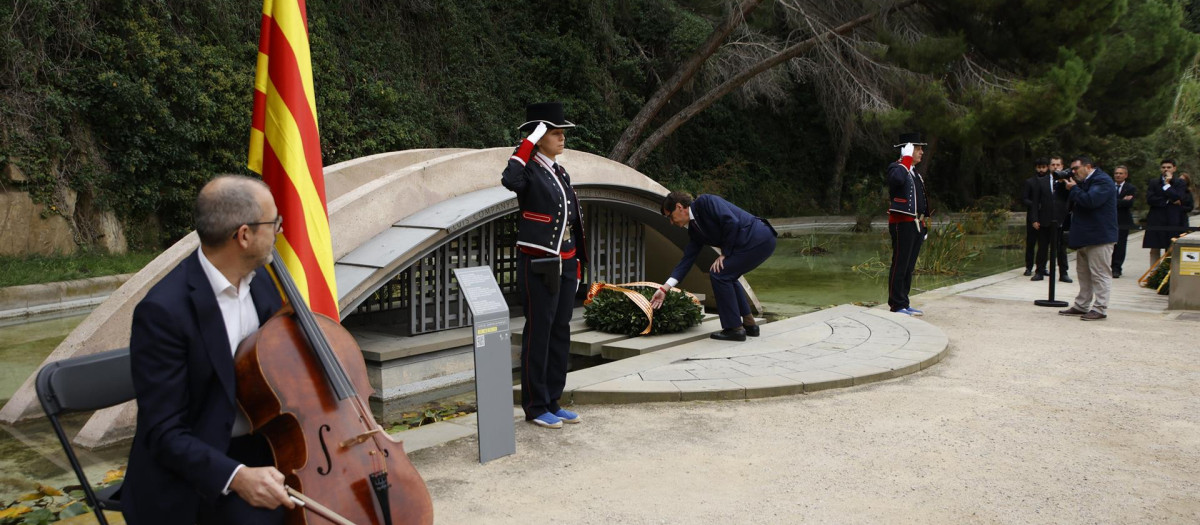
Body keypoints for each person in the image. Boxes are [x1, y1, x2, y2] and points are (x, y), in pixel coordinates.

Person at [124, 175, 292, 525]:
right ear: (244, 235)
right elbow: (164, 433)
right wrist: (237, 476)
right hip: (194, 471)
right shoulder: (164, 312)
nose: (279, 230)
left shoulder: (260, 282)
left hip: (260, 443)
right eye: (273, 223)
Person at [501, 102, 587, 429]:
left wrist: (577, 261)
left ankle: (553, 399)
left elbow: (572, 218)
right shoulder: (528, 168)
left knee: (560, 331)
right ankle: (536, 406)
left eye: (562, 131)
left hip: (565, 261)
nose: (562, 137)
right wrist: (529, 139)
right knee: (539, 333)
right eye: (555, 131)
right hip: (539, 261)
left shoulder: (558, 169)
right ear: (539, 136)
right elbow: (510, 178)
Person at [649, 191, 776, 341]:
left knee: (719, 274)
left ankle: (734, 328)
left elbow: (731, 221)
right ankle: (749, 325)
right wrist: (664, 289)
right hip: (751, 243)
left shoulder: (706, 202)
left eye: (670, 216)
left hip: (758, 237)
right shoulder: (695, 231)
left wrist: (725, 253)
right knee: (727, 274)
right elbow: (686, 260)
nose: (671, 222)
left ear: (679, 207)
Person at [1058, 156, 1118, 321]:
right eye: (1072, 169)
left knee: (1100, 273)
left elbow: (1091, 201)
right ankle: (1082, 305)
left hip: (1099, 236)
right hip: (1085, 235)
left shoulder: (1103, 181)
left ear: (1088, 166)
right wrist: (1066, 186)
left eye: (1076, 168)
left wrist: (1074, 188)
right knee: (1083, 273)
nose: (1074, 172)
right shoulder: (1084, 182)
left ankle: (1100, 308)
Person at [883, 132, 931, 316]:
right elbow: (897, 181)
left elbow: (921, 201)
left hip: (915, 225)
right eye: (918, 149)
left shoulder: (915, 174)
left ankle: (904, 301)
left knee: (909, 265)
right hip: (901, 224)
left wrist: (924, 224)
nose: (921, 152)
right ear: (907, 149)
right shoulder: (896, 168)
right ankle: (896, 305)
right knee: (900, 264)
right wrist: (906, 159)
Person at [1030, 156, 1072, 283]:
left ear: (1062, 166)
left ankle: (1063, 273)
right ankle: (1039, 271)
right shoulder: (1041, 182)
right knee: (1042, 247)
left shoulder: (1067, 182)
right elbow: (1035, 202)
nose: (1055, 167)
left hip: (1061, 220)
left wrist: (1065, 184)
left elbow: (1071, 199)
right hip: (1044, 219)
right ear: (1049, 166)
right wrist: (1034, 219)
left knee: (1061, 248)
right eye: (1053, 164)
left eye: (1058, 165)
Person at [1143, 159, 1187, 267]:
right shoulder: (1154, 182)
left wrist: (1167, 185)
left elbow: (1178, 197)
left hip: (1173, 219)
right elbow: (1150, 199)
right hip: (1156, 219)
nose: (1166, 169)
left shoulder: (1180, 182)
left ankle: (1168, 274)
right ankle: (1153, 273)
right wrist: (1168, 201)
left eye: (1168, 167)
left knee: (1171, 248)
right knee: (1154, 248)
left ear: (1174, 168)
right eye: (1163, 167)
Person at [1022, 158, 1051, 276]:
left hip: (1045, 216)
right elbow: (1024, 198)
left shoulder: (1050, 181)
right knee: (1031, 243)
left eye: (1043, 167)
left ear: (1047, 167)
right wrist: (1036, 205)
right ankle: (1028, 267)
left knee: (1044, 244)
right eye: (1039, 167)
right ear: (1036, 168)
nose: (1041, 170)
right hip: (1032, 217)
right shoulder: (1030, 182)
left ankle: (1042, 267)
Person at [1111, 165, 1136, 278]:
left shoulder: (1130, 188)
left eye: (1121, 173)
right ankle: (1108, 266)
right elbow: (1107, 202)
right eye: (1116, 173)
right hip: (1110, 220)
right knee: (1109, 245)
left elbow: (1129, 204)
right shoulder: (1109, 186)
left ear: (1125, 175)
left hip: (1123, 220)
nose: (1118, 175)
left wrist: (1116, 202)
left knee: (1120, 245)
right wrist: (1121, 201)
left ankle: (1117, 268)